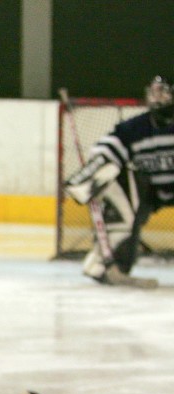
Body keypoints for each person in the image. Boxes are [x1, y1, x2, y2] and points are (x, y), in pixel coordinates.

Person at [64, 75, 174, 287]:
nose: (156, 98)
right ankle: (110, 264)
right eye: (153, 92)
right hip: (150, 192)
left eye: (163, 92)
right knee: (118, 184)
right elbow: (106, 150)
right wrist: (86, 176)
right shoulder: (136, 128)